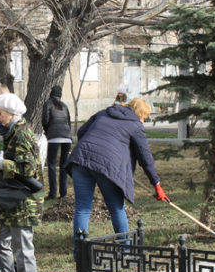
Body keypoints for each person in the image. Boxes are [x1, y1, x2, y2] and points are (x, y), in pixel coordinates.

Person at [66, 96, 169, 239]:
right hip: (107, 166)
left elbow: (81, 131)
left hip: (81, 160)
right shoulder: (135, 125)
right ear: (139, 114)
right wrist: (157, 184)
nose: (144, 121)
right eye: (144, 117)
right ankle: (125, 250)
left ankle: (80, 253)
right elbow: (146, 158)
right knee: (116, 208)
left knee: (82, 209)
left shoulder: (104, 113)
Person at [0, 92, 44, 272]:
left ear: (11, 113)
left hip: (24, 200)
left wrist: (4, 164)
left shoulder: (21, 135)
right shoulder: (12, 132)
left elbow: (27, 169)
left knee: (23, 250)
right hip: (11, 197)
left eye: (0, 113)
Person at [41, 85, 72, 199]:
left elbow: (45, 120)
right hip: (67, 138)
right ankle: (63, 193)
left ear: (51, 93)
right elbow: (69, 122)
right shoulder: (65, 105)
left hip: (54, 137)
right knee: (63, 166)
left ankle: (53, 193)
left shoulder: (47, 104)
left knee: (52, 165)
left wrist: (48, 131)